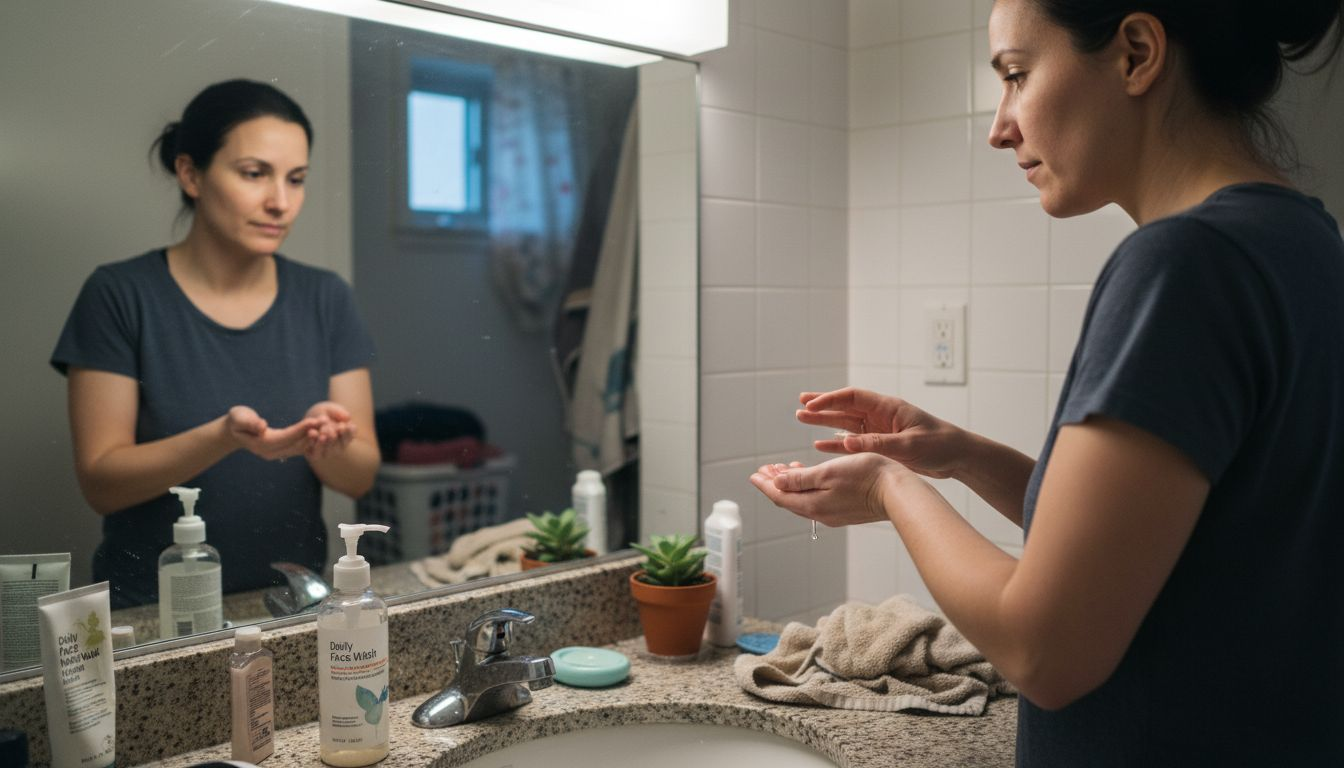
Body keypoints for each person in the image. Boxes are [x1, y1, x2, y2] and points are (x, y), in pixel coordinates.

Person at [751, 1, 1344, 764]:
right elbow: (1172, 548)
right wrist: (962, 455)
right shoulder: (1305, 240)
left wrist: (888, 491)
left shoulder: (1184, 264)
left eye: (1017, 75)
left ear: (1135, 53)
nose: (1001, 126)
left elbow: (1045, 651)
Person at [51, 79, 381, 610]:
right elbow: (102, 482)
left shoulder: (326, 298)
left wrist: (329, 443)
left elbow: (360, 473)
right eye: (254, 174)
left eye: (296, 180)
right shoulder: (119, 295)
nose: (280, 202)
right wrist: (224, 437)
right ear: (191, 173)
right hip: (150, 615)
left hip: (294, 605)